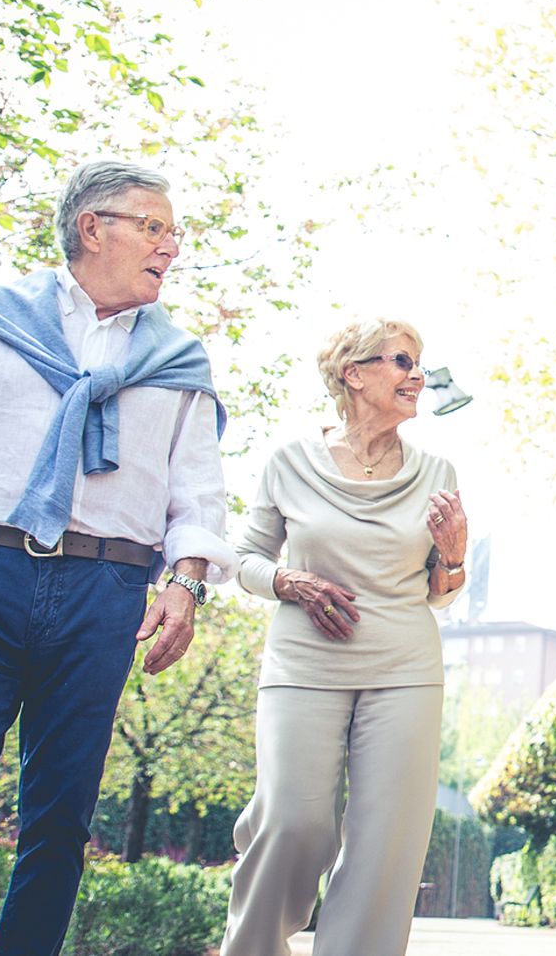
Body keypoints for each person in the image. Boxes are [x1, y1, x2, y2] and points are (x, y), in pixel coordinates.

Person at [0, 160, 231, 956]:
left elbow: (198, 495)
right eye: (154, 227)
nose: (172, 246)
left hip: (106, 587)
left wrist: (186, 584)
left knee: (62, 811)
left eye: (173, 231)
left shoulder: (179, 363)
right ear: (94, 228)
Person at [220, 316, 468, 956]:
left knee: (388, 841)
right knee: (292, 823)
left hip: (405, 669)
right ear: (353, 375)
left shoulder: (437, 470)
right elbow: (243, 558)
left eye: (417, 362)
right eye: (400, 361)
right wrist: (289, 582)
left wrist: (455, 556)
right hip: (304, 665)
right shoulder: (290, 461)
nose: (416, 375)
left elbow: (440, 592)